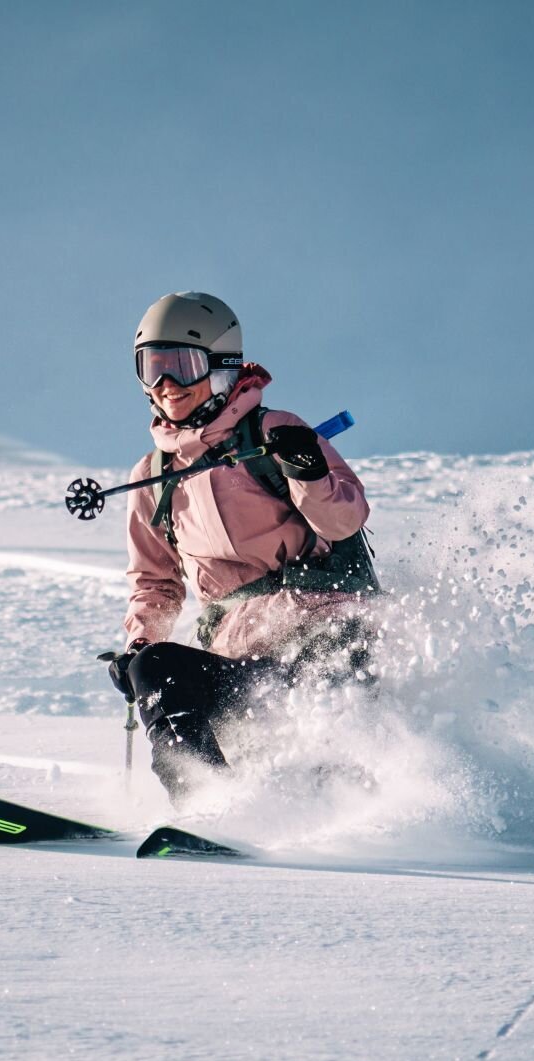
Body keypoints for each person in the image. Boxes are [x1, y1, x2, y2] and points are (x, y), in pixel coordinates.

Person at [105, 292, 380, 804]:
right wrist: (139, 646)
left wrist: (308, 472)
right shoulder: (153, 476)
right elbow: (155, 583)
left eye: (182, 367)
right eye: (152, 369)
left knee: (320, 685)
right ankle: (208, 802)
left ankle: (342, 798)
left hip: (324, 637)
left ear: (222, 368)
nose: (167, 386)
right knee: (156, 669)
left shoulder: (276, 432)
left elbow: (345, 520)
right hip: (240, 657)